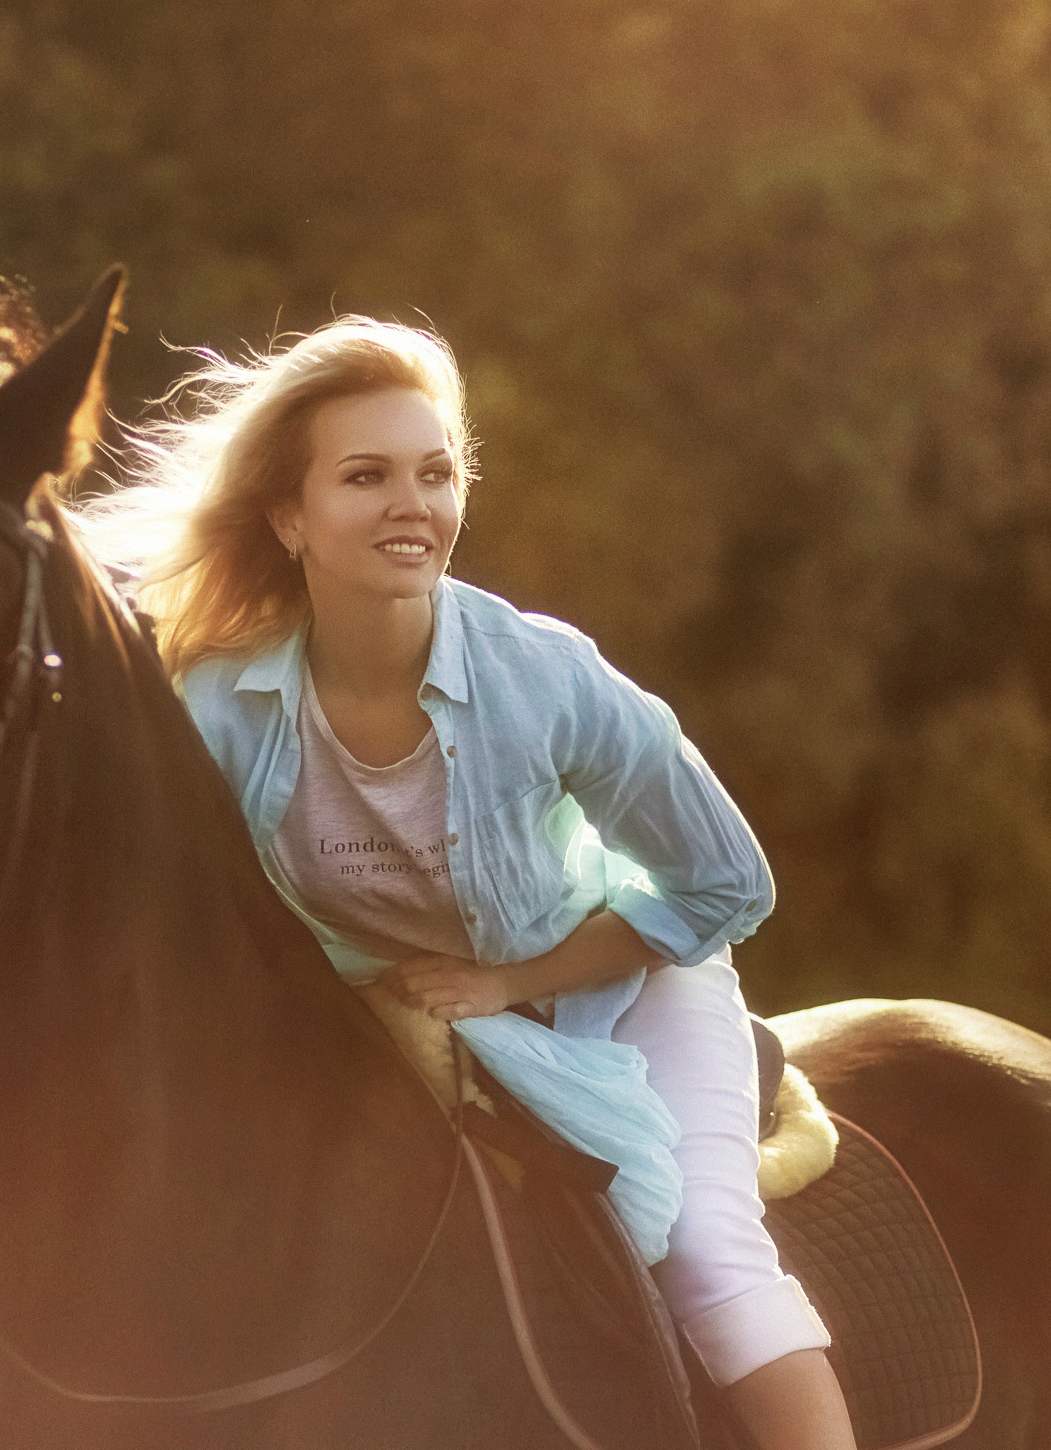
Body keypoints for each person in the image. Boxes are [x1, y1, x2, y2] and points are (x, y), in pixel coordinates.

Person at [75, 317, 855, 1450]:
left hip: (622, 985)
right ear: (290, 518)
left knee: (712, 1261)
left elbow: (726, 884)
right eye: (366, 476)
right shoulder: (216, 704)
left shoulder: (545, 675)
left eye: (435, 472)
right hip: (402, 1010)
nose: (412, 502)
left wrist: (511, 977)